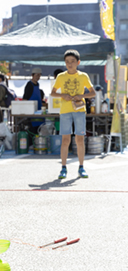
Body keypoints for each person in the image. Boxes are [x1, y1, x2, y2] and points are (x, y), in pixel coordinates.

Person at [50, 49, 95, 179]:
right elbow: (53, 93)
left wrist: (81, 95)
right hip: (64, 111)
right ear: (65, 63)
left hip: (79, 110)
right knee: (65, 140)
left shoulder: (83, 76)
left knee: (80, 139)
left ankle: (81, 167)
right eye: (67, 62)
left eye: (73, 61)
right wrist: (62, 95)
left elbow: (92, 93)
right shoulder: (61, 76)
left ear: (78, 62)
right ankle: (63, 168)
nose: (70, 64)